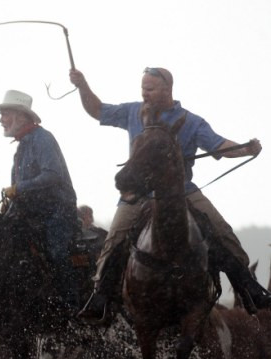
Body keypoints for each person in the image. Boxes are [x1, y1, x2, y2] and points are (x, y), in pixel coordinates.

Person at [70, 66, 267, 322]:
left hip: (183, 191)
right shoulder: (132, 111)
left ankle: (249, 289)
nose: (145, 94)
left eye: (150, 89)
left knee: (223, 233)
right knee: (114, 239)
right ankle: (101, 298)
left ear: (167, 89)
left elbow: (220, 145)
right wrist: (82, 85)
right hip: (139, 194)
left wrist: (246, 149)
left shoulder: (192, 121)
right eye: (142, 88)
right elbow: (97, 110)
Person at [0, 89, 79, 312]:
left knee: (57, 252)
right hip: (31, 213)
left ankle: (72, 308)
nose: (0, 119)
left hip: (56, 212)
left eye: (4, 114)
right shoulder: (21, 147)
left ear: (21, 116)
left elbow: (52, 175)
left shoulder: (43, 139)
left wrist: (18, 188)